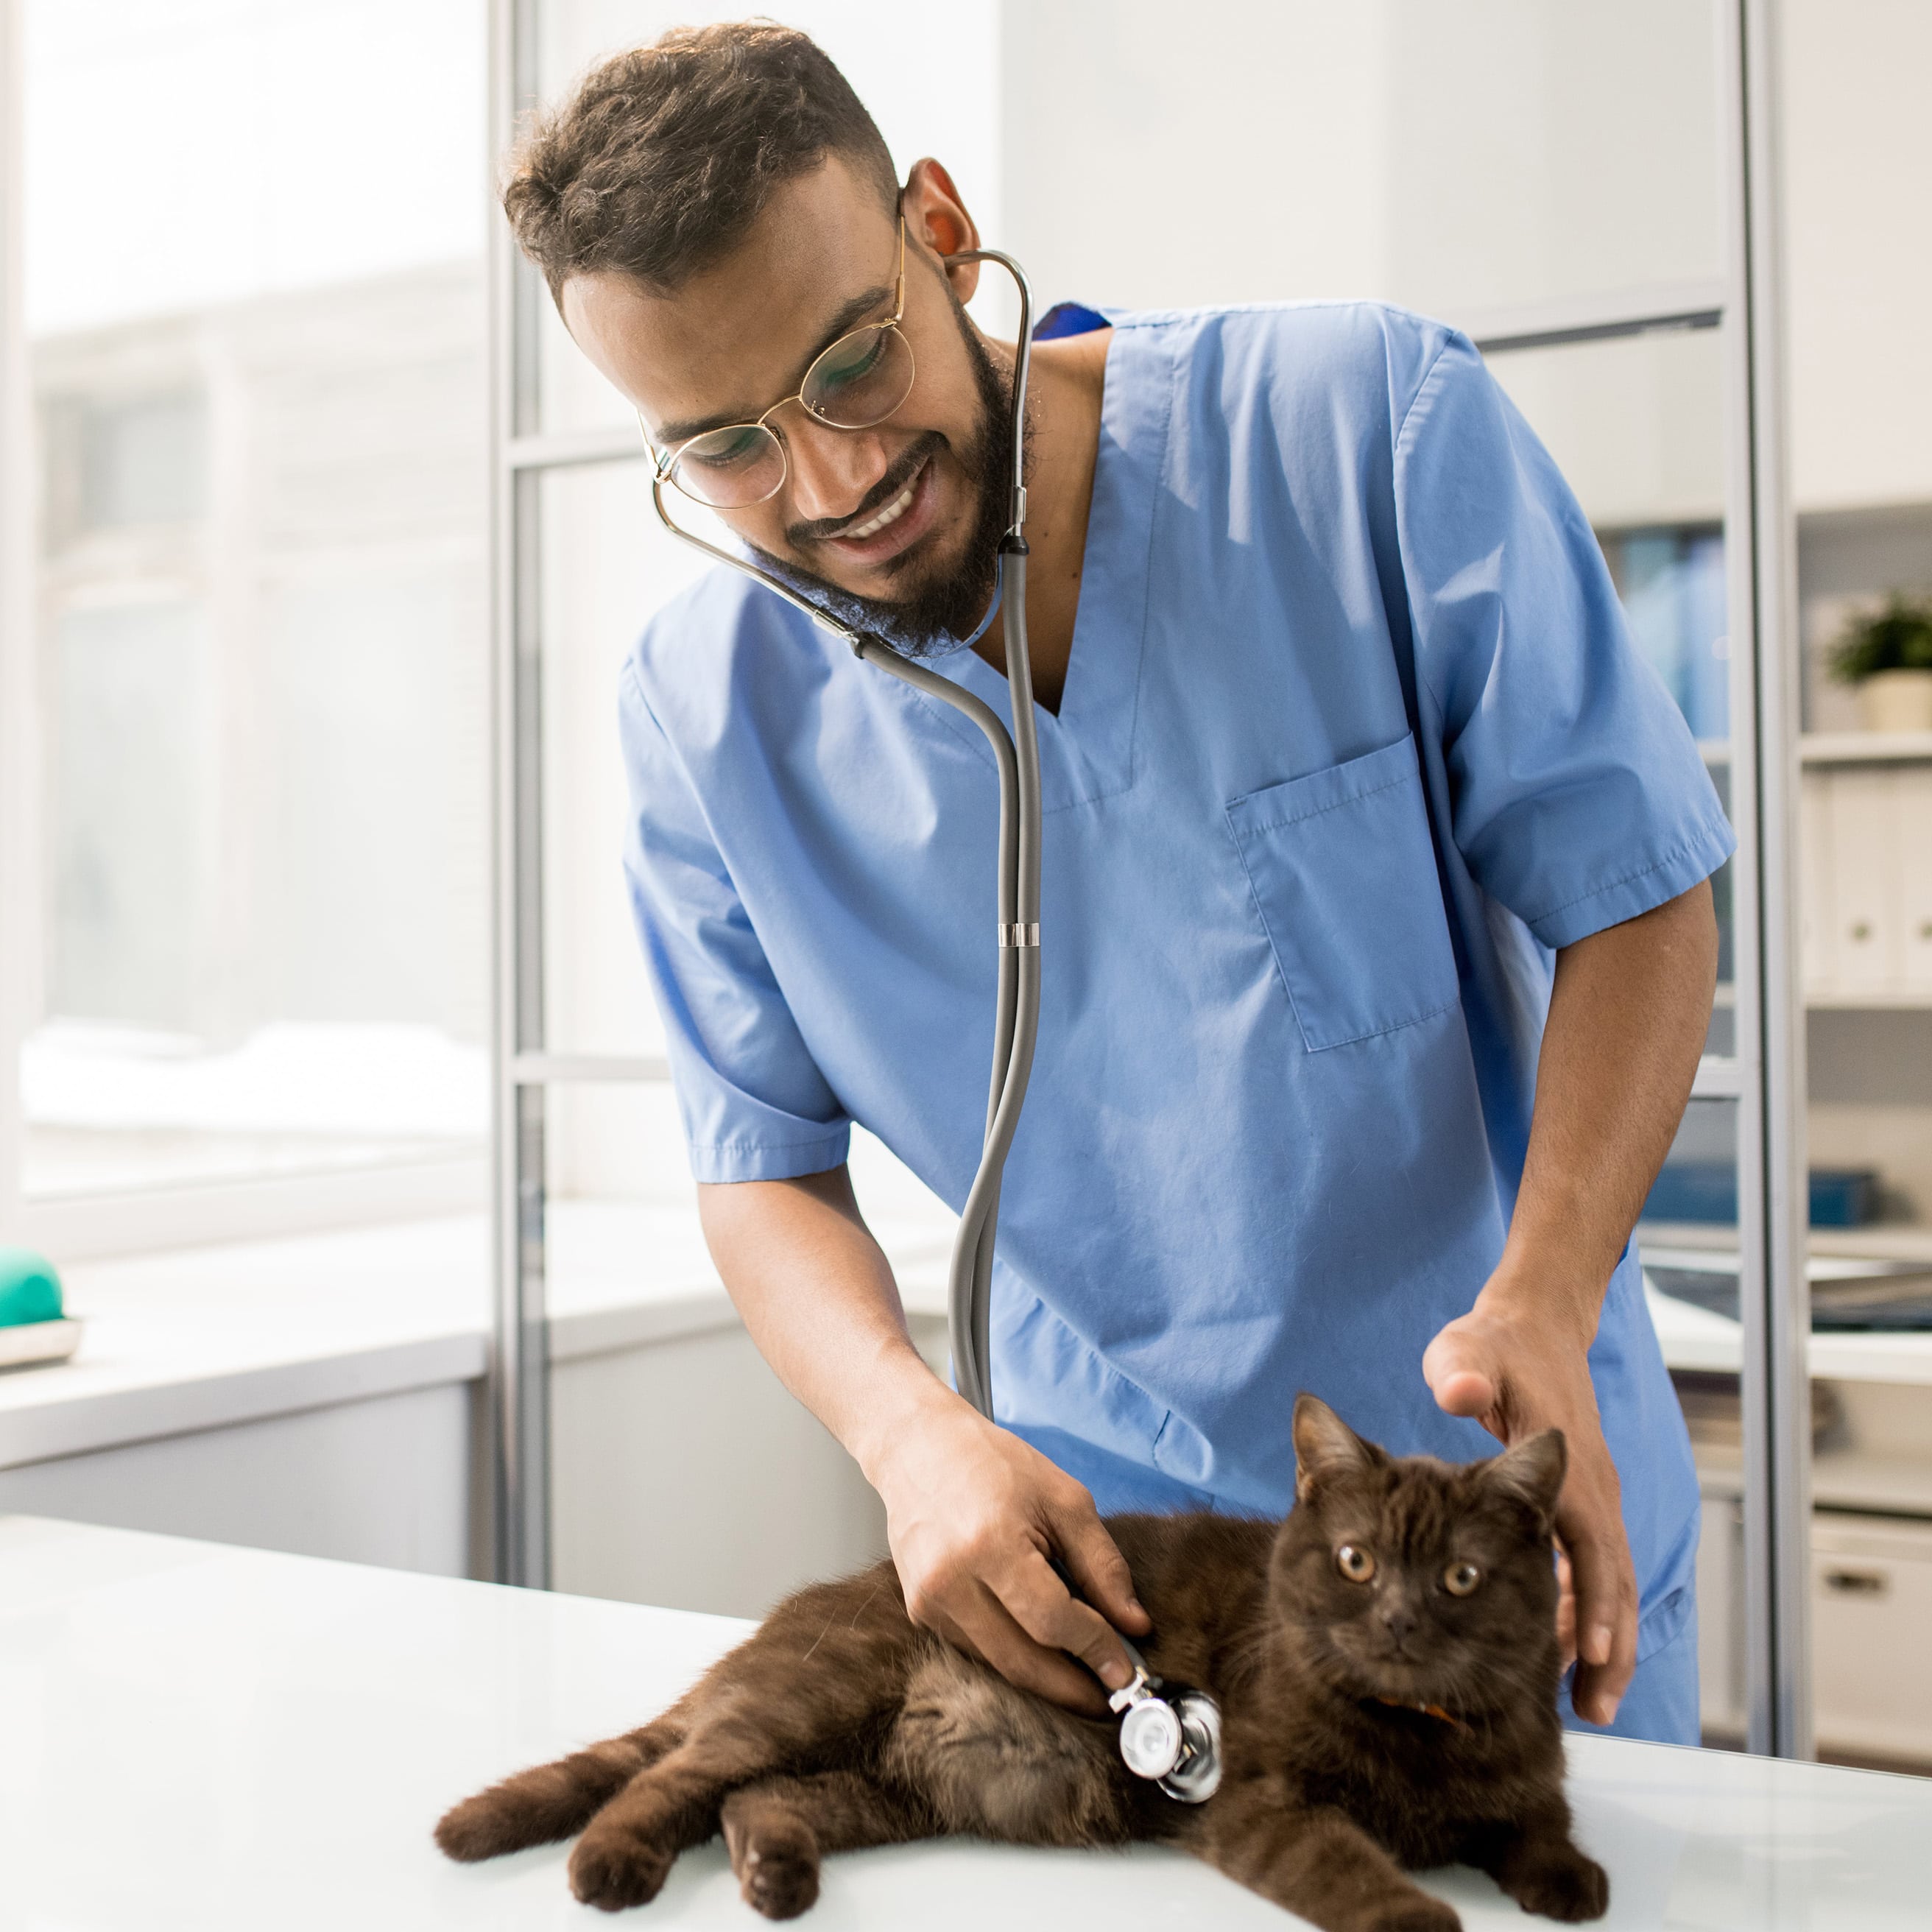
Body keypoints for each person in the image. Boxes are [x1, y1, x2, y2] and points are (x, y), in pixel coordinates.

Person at [501, 21, 1730, 1745]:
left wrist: (1548, 1291)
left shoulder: (1358, 433)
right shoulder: (708, 718)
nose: (833, 482)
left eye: (852, 366)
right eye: (725, 448)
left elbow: (1638, 891)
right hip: (1119, 1608)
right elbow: (759, 1164)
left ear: (938, 227)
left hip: (1479, 1541)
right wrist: (909, 1436)